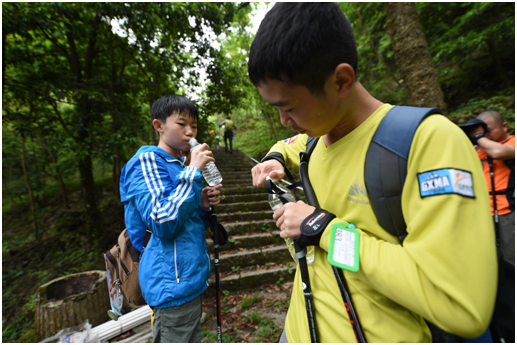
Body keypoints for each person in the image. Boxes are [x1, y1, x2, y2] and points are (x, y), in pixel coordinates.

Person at [248, 3, 497, 343]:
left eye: (288, 107)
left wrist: (322, 229)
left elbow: (461, 306)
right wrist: (276, 157)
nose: (283, 120)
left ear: (340, 81)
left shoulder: (428, 143)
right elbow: (290, 143)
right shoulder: (315, 140)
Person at [119, 94, 223, 343]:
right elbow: (162, 221)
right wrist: (193, 172)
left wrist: (201, 204)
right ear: (159, 125)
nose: (190, 132)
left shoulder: (177, 165)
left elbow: (183, 218)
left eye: (194, 126)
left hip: (188, 281)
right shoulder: (147, 161)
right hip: (170, 285)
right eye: (181, 123)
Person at [464, 111, 515, 265]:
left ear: (504, 126)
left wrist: (479, 137)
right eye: (480, 131)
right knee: (487, 260)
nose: (485, 135)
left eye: (488, 130)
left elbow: (497, 152)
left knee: (511, 259)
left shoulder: (512, 142)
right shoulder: (476, 149)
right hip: (482, 213)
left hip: (509, 212)